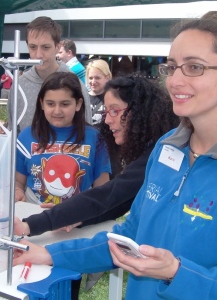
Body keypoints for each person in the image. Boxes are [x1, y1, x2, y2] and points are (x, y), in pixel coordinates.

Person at [13, 19, 217, 300]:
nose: (175, 80)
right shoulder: (168, 148)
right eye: (172, 67)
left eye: (194, 67)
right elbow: (129, 237)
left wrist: (176, 273)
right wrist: (50, 254)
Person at [14, 75, 178, 236]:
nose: (107, 121)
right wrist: (76, 218)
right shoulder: (157, 149)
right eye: (107, 112)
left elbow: (107, 195)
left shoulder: (160, 154)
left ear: (139, 111)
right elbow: (118, 204)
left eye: (114, 111)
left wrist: (33, 225)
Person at [14, 71, 111, 205]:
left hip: (78, 219)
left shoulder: (94, 137)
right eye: (50, 104)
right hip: (34, 216)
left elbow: (103, 188)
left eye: (65, 104)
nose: (57, 111)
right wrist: (17, 191)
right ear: (42, 103)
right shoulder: (26, 136)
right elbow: (18, 182)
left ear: (78, 104)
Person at [8, 16, 92, 132]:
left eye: (45, 47)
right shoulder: (19, 85)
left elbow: (87, 133)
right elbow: (13, 132)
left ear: (58, 47)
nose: (38, 55)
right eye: (33, 47)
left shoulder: (75, 83)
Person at [86, 60, 112, 126]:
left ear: (107, 78)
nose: (93, 82)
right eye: (90, 78)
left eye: (97, 78)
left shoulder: (112, 98)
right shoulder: (82, 97)